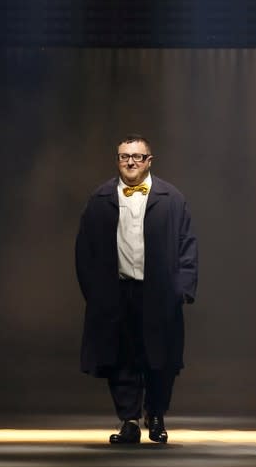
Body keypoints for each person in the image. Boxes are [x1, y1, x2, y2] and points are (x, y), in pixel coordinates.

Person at [75, 133, 198, 444]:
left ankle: (156, 416)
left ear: (149, 161)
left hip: (158, 293)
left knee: (160, 359)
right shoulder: (101, 198)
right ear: (117, 160)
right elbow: (84, 249)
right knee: (120, 358)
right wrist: (95, 292)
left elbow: (187, 244)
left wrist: (181, 289)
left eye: (137, 156)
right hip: (117, 292)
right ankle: (129, 420)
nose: (130, 162)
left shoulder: (172, 198)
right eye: (124, 156)